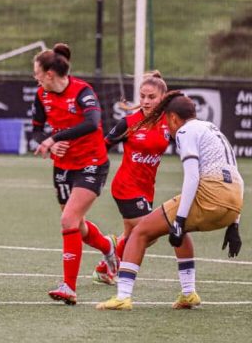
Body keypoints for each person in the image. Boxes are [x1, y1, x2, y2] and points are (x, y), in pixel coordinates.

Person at [97, 92, 243, 310]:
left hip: (211, 194)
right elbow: (236, 173)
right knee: (179, 231)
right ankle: (188, 294)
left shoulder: (185, 130)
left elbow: (192, 177)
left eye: (167, 121)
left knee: (140, 232)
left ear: (173, 118)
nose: (168, 128)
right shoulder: (212, 128)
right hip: (234, 200)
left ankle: (122, 297)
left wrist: (180, 218)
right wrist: (234, 224)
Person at [31, 43, 118, 305]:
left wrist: (54, 137)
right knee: (75, 225)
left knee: (68, 220)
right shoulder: (41, 95)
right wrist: (49, 142)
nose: (34, 76)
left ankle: (69, 287)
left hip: (92, 163)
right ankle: (110, 249)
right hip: (62, 167)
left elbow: (91, 124)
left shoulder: (83, 92)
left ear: (49, 74)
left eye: (37, 72)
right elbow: (36, 129)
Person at [91, 71, 171, 284]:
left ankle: (104, 265)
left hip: (146, 188)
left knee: (133, 235)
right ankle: (118, 271)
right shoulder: (129, 123)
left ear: (163, 97)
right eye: (142, 96)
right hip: (126, 186)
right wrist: (90, 170)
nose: (145, 101)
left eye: (151, 97)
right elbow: (102, 147)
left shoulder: (169, 123)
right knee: (149, 233)